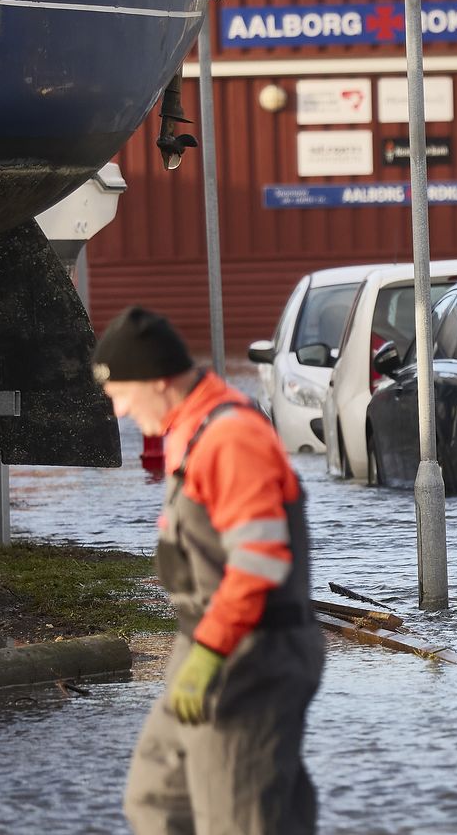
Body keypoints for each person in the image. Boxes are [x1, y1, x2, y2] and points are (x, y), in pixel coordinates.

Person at [94, 305, 323, 835]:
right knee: (158, 797)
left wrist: (210, 654)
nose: (121, 411)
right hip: (206, 647)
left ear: (157, 382)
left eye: (120, 394)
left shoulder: (229, 438)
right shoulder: (189, 430)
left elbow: (259, 561)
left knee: (239, 818)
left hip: (253, 655)